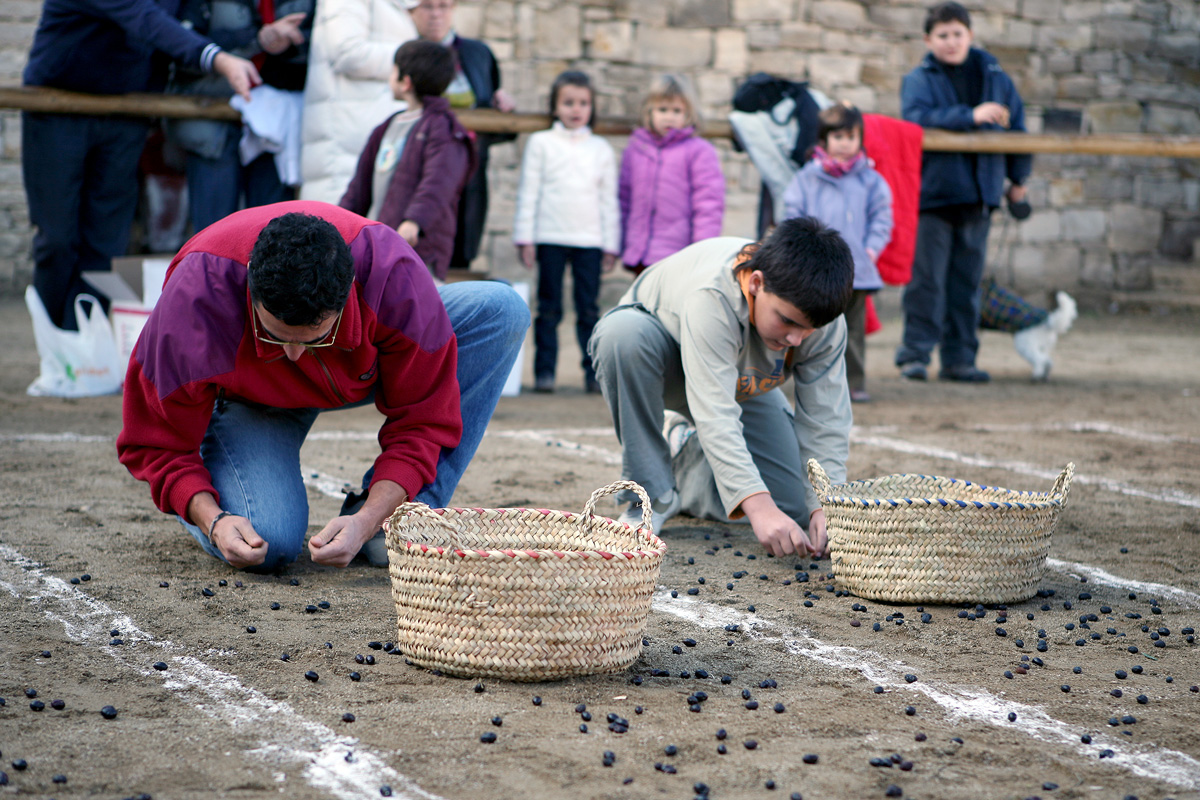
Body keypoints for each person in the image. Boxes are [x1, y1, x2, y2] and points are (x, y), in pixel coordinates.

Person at [116, 202, 529, 572]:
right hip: (255, 399)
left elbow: (424, 419)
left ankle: (409, 512)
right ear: (250, 293)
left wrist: (368, 520)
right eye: (276, 336)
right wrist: (213, 519)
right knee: (269, 543)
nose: (294, 355)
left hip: (365, 369)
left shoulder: (392, 276)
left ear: (348, 296)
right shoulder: (195, 297)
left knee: (501, 308)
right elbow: (157, 442)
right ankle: (224, 482)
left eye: (314, 338)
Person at [588, 218, 855, 558]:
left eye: (808, 329)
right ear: (756, 283)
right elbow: (716, 413)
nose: (796, 339)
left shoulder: (823, 317)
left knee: (790, 505)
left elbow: (825, 417)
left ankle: (685, 453)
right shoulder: (712, 297)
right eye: (787, 321)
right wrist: (757, 508)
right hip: (663, 363)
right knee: (621, 336)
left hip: (738, 383)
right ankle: (651, 492)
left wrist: (824, 506)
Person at [21, 0, 260, 330]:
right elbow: (145, 20)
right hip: (56, 109)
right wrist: (218, 59)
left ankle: (87, 338)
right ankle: (56, 343)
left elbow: (179, 29)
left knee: (106, 239)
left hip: (126, 113)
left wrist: (258, 39)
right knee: (57, 238)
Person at [894, 1, 1031, 383]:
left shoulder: (996, 77)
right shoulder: (919, 78)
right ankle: (915, 356)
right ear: (928, 39)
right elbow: (916, 120)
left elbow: (1018, 130)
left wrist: (1017, 181)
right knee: (926, 282)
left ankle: (959, 359)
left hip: (980, 196)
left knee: (966, 285)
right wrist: (969, 116)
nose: (951, 42)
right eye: (942, 35)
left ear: (970, 35)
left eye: (957, 34)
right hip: (934, 197)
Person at [513, 70, 619, 394]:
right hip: (550, 237)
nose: (576, 109)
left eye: (583, 103)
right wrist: (525, 237)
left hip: (590, 241)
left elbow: (608, 199)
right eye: (568, 102)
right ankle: (544, 373)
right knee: (549, 309)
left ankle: (593, 374)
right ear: (555, 106)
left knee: (588, 309)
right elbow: (528, 191)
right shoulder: (541, 143)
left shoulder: (601, 148)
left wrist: (611, 244)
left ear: (592, 107)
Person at [167, 0, 313, 232]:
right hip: (211, 126)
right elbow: (175, 47)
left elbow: (322, 56)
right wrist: (255, 40)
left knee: (273, 237)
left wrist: (288, 44)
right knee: (214, 238)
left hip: (276, 127)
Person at [783, 103, 894, 404]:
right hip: (816, 272)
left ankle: (853, 383)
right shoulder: (807, 178)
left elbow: (882, 217)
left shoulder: (871, 181)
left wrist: (871, 249)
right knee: (812, 329)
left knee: (853, 332)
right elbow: (793, 214)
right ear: (823, 140)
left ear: (860, 140)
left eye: (851, 136)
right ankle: (811, 384)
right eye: (838, 136)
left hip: (857, 272)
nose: (845, 143)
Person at [338, 40, 475, 281]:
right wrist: (339, 224)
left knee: (417, 313)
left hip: (419, 251)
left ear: (406, 81)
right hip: (377, 249)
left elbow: (439, 183)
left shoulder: (444, 128)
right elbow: (359, 186)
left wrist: (414, 221)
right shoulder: (387, 126)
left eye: (393, 70)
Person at [409, 0, 517, 270]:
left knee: (460, 257)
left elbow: (490, 111)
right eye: (427, 7)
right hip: (419, 175)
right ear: (411, 10)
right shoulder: (404, 52)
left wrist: (502, 110)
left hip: (468, 177)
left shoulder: (478, 54)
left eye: (443, 6)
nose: (436, 14)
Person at [299, 0, 418, 204]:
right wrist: (417, 58)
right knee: (337, 223)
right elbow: (348, 53)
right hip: (347, 136)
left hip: (367, 133)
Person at [619, 74, 725, 277]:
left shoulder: (699, 151)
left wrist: (701, 250)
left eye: (677, 110)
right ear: (649, 112)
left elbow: (708, 204)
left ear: (689, 113)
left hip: (678, 253)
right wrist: (622, 242)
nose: (669, 116)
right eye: (662, 109)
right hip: (641, 252)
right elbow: (624, 199)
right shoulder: (636, 149)